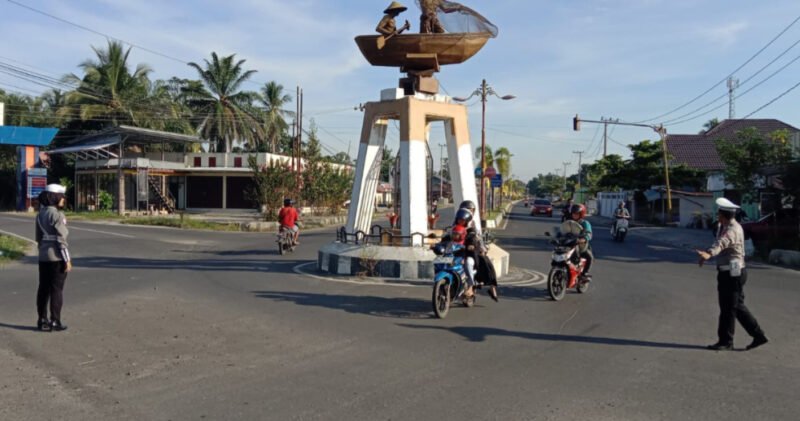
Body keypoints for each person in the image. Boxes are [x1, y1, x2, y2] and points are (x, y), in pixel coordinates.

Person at [696, 198, 768, 351]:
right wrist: (708, 253)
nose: (717, 216)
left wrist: (709, 253)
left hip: (732, 274)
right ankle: (758, 335)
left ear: (723, 215)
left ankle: (726, 341)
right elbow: (720, 241)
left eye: (719, 214)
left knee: (728, 309)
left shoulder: (732, 230)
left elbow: (722, 243)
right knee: (736, 307)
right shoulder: (725, 226)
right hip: (732, 272)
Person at [35, 184, 71, 332]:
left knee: (43, 288)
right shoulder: (57, 215)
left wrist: (43, 250)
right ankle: (55, 320)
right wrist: (67, 260)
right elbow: (61, 239)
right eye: (62, 197)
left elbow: (38, 238)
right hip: (56, 257)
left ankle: (42, 319)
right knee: (56, 289)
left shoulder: (40, 214)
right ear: (55, 197)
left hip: (43, 256)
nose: (63, 200)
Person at [570, 204, 593, 280]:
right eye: (573, 213)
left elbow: (589, 234)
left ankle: (585, 273)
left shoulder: (585, 223)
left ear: (581, 214)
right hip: (568, 244)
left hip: (580, 246)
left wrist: (584, 239)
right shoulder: (569, 222)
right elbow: (563, 230)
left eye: (576, 214)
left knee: (590, 257)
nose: (574, 215)